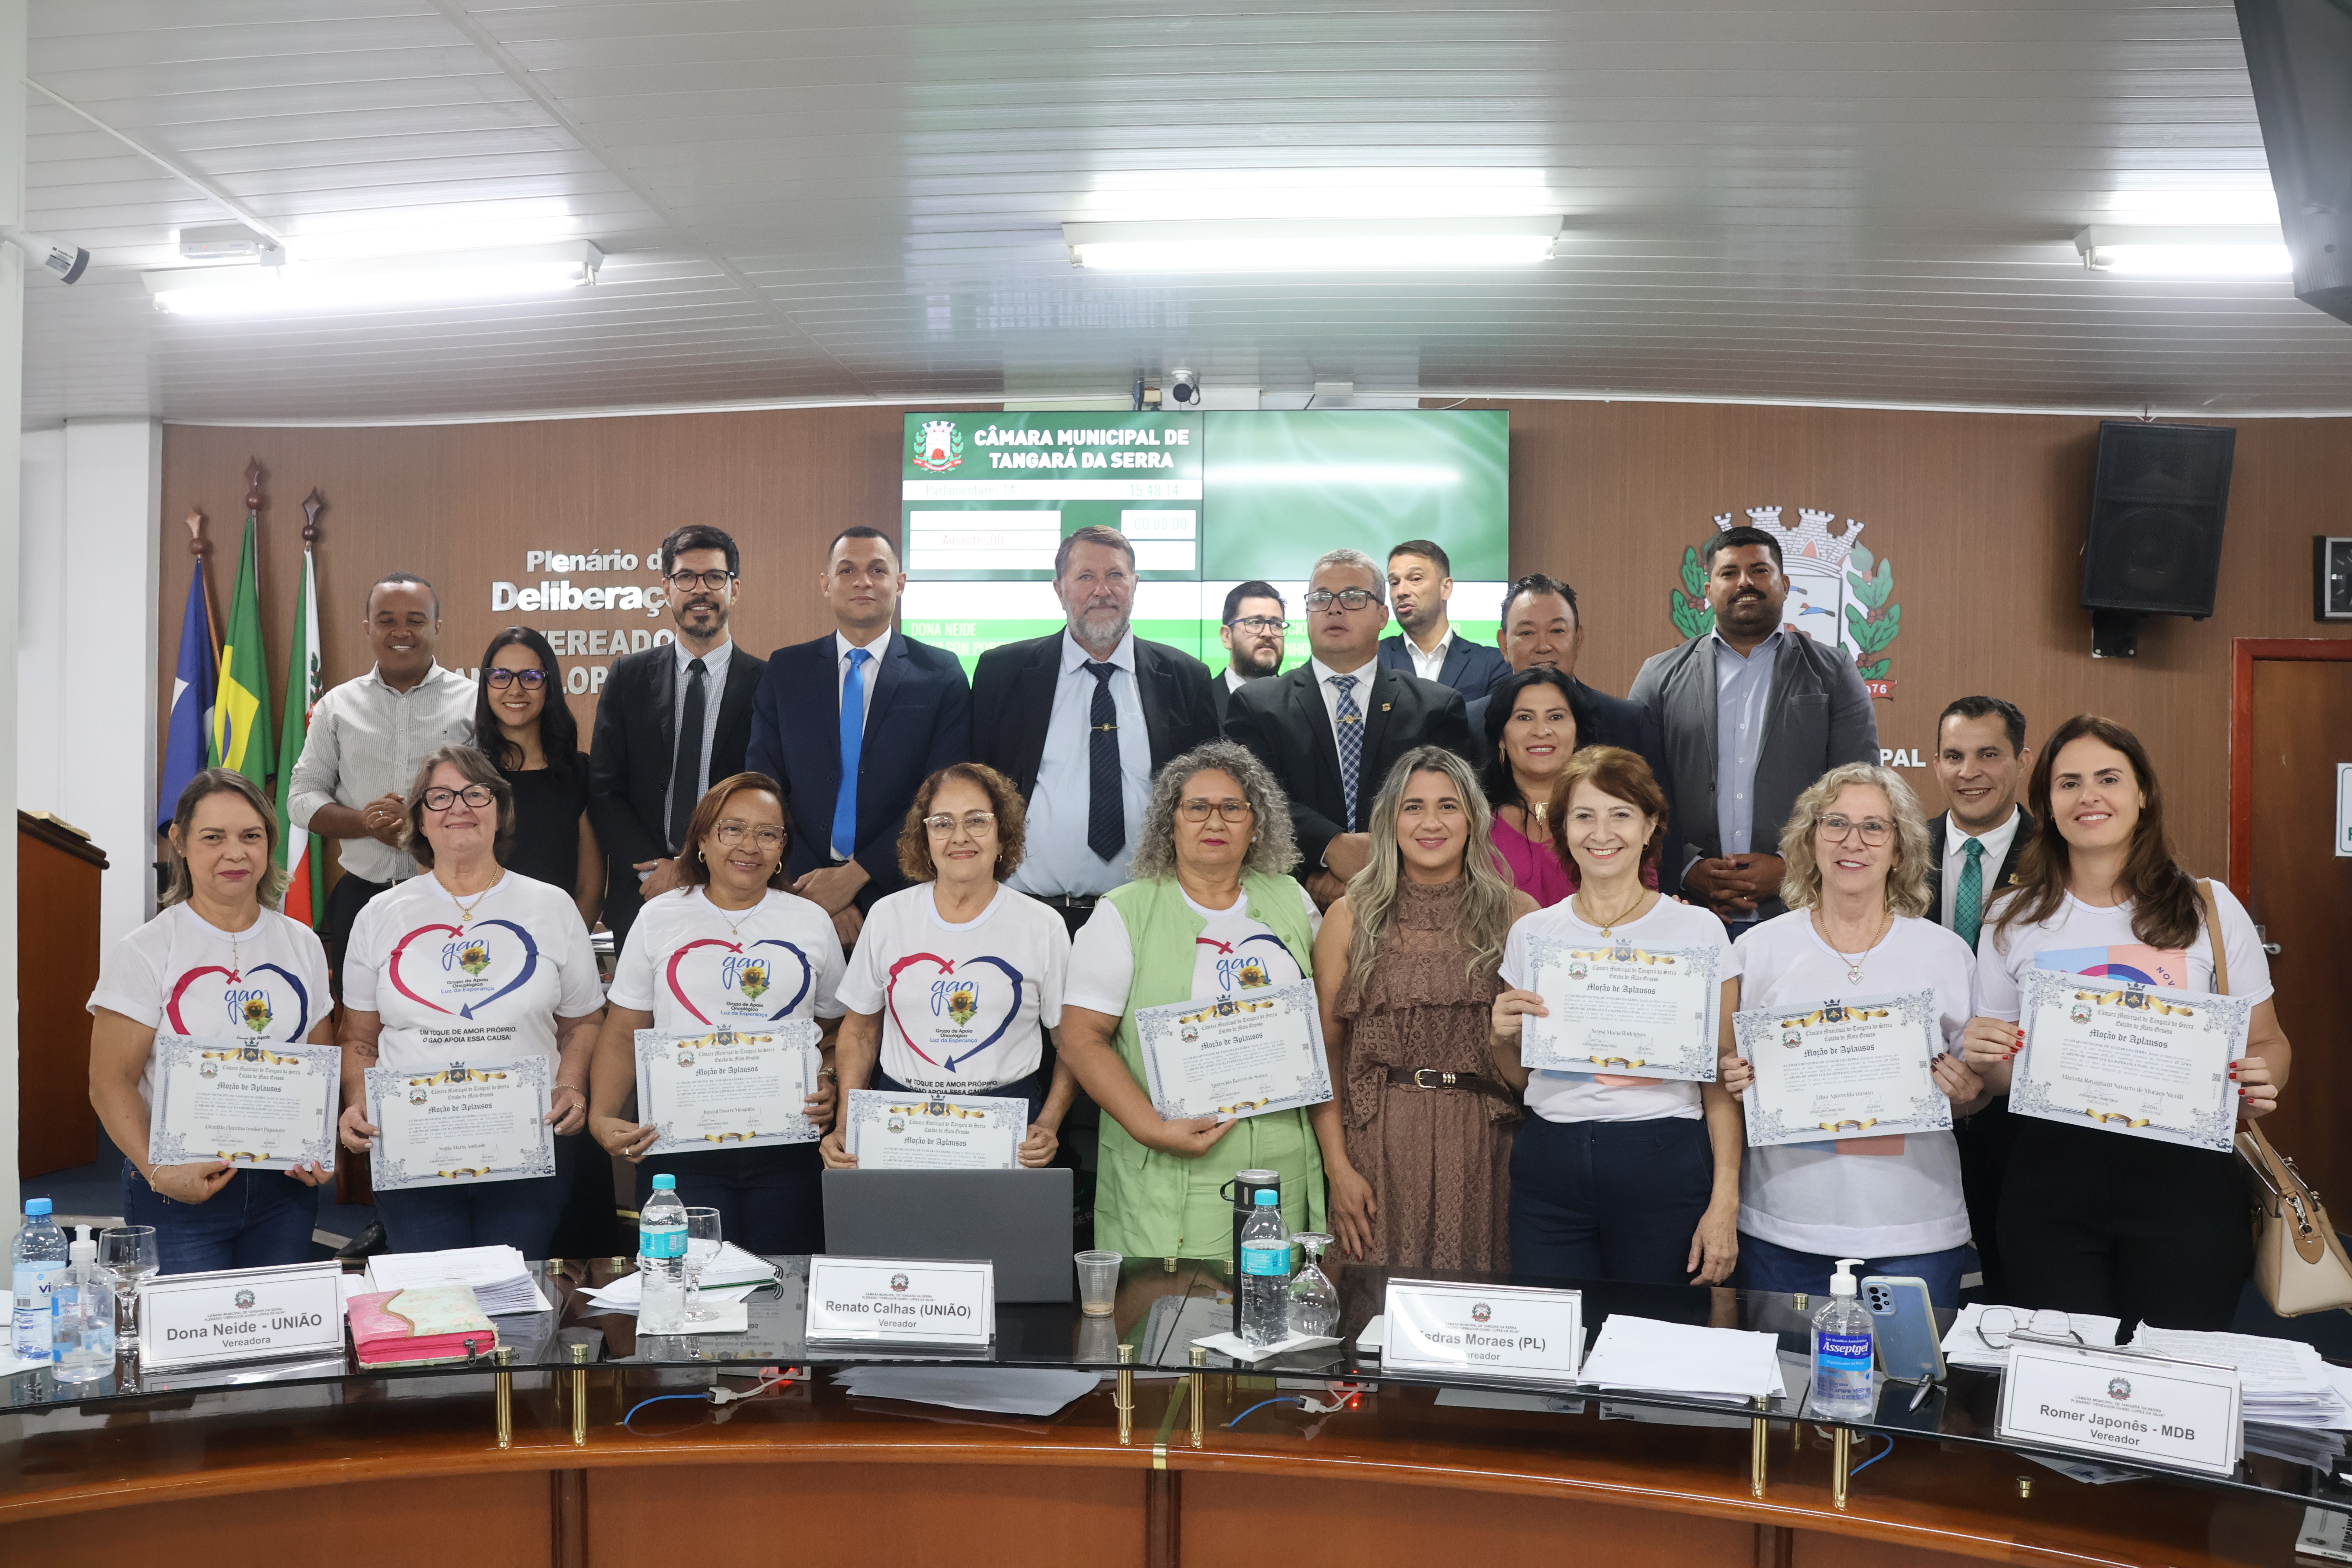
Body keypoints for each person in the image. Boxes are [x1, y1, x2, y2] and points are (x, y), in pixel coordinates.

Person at [1962, 715, 2288, 1330]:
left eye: (2108, 778)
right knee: (2064, 1389)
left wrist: (2261, 1080)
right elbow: (2002, 1076)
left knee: (2174, 1384)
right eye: (2069, 783)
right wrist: (1987, 1055)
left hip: (2185, 1193)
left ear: (2142, 794)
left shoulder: (2207, 907)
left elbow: (2268, 1040)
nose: (2089, 796)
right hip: (2050, 1190)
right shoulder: (2011, 916)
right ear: (2048, 805)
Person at [1058, 741, 1343, 1256]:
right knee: (1167, 1328)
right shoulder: (1124, 912)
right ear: (1170, 824)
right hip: (1169, 1167)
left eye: (1233, 808)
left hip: (1282, 1164)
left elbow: (1321, 1040)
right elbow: (1081, 1040)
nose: (1216, 821)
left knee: (1274, 1323)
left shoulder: (1293, 900)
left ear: (1257, 823)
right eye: (1197, 808)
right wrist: (1153, 1128)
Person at [1719, 763, 1984, 1307]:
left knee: (1912, 1391)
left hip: (1915, 1229)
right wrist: (1733, 1074)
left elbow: (1972, 1088)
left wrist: (1966, 1091)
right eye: (1835, 823)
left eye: (1874, 827)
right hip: (1784, 1226)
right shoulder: (1757, 950)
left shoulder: (1945, 953)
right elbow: (1727, 1075)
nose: (1852, 842)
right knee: (1786, 1389)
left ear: (1900, 847)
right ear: (1810, 839)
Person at [1487, 747, 1743, 1285]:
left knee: (1656, 1348)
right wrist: (1500, 1039)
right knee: (1554, 1345)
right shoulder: (1534, 935)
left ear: (1651, 825)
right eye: (1584, 816)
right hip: (1550, 1161)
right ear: (1563, 829)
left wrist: (1725, 1202)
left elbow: (1720, 1080)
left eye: (1621, 814)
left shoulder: (1697, 933)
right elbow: (1521, 1078)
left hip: (1663, 1157)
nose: (1601, 832)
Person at [338, 746, 606, 1256]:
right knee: (435, 1307)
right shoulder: (379, 916)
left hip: (526, 1144)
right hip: (414, 1147)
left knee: (511, 1305)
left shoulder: (551, 907)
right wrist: (357, 1102)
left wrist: (570, 1084)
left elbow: (584, 1021)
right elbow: (359, 1038)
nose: (458, 807)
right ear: (419, 818)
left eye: (475, 793)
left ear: (500, 810)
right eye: (439, 797)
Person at [87, 770, 335, 1274]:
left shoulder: (303, 944)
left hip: (282, 1191)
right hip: (178, 1190)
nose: (235, 853)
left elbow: (318, 1066)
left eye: (251, 836)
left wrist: (319, 1145)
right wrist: (158, 1173)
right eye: (213, 837)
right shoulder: (145, 950)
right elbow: (110, 1082)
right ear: (179, 841)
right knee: (189, 1345)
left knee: (274, 1336)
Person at [589, 773, 846, 1252]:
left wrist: (828, 1076)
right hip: (680, 1154)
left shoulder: (810, 921)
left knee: (784, 1295)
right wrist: (602, 1116)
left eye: (768, 834)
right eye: (733, 829)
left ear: (782, 849)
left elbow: (834, 1026)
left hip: (788, 1151)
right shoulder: (660, 916)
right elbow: (624, 1031)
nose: (750, 845)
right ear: (703, 839)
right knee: (691, 1294)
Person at [1314, 747, 1534, 1269]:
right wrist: (1337, 1168)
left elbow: (1538, 1057)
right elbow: (1324, 1056)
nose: (1430, 822)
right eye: (1413, 807)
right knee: (1373, 1310)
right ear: (1389, 821)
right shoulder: (1349, 916)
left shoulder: (1520, 915)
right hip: (1379, 1139)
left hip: (1487, 1141)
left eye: (1448, 806)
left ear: (1474, 819)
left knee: (1480, 1311)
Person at [971, 525, 1220, 940]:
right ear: (1059, 589)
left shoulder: (1185, 677)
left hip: (1150, 915)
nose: (1102, 590)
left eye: (1116, 576)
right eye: (1086, 576)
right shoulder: (1003, 673)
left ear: (1135, 585)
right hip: (1027, 916)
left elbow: (1207, 795)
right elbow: (976, 787)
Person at [821, 764, 1074, 1166]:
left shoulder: (1042, 926)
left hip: (1008, 1127)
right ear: (925, 836)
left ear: (1003, 832)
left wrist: (1049, 1122)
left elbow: (1073, 1042)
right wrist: (845, 1123)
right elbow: (860, 1032)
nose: (960, 837)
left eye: (977, 821)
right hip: (900, 1126)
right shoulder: (889, 916)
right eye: (942, 823)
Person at [1630, 526, 1878, 931]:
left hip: (1803, 913)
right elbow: (1634, 788)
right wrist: (1687, 865)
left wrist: (1790, 866)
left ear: (1785, 585)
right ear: (1708, 590)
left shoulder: (1833, 673)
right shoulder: (1659, 675)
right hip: (1686, 913)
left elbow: (1859, 787)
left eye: (1760, 570)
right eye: (1729, 573)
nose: (1745, 582)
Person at [746, 526, 971, 950]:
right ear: (826, 584)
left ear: (899, 584)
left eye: (878, 570)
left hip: (903, 892)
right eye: (847, 570)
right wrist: (821, 890)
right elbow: (765, 785)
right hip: (799, 891)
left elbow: (943, 796)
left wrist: (856, 876)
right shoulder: (786, 671)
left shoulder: (941, 674)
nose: (863, 581)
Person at [1225, 548, 1476, 911]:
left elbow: (1453, 809)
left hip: (1409, 901)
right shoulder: (1257, 705)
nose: (1335, 608)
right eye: (1322, 598)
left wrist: (1376, 867)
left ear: (1383, 615)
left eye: (1354, 597)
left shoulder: (1434, 707)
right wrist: (1330, 847)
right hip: (1290, 899)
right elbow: (1250, 799)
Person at [588, 524, 766, 949]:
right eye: (686, 577)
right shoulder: (628, 677)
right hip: (646, 891)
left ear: (734, 589)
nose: (699, 590)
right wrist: (658, 869)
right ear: (666, 589)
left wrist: (695, 865)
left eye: (714, 578)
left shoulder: (769, 684)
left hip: (740, 887)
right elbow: (604, 788)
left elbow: (774, 790)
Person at [288, 572, 474, 975]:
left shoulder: (474, 703)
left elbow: (491, 800)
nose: (401, 631)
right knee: (359, 1020)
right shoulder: (337, 706)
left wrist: (423, 823)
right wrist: (364, 822)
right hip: (362, 897)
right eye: (387, 620)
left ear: (437, 627)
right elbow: (302, 798)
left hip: (455, 897)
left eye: (416, 620)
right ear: (368, 628)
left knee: (451, 1015)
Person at [1926, 694, 2035, 1303]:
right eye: (1954, 756)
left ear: (2021, 761)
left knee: (2014, 1272)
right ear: (1937, 764)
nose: (1969, 772)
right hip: (1918, 1094)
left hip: (2019, 1106)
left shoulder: (2060, 856)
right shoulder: (1897, 851)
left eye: (1988, 755)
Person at [1465, 575, 1675, 818]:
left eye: (1557, 631)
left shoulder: (1629, 723)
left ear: (1578, 638)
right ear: (1504, 644)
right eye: (1526, 633)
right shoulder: (1470, 723)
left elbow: (1662, 826)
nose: (1543, 646)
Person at [477, 627, 601, 927]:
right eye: (501, 676)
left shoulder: (579, 775)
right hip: (476, 950)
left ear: (550, 685)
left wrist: (561, 953)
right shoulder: (465, 776)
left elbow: (590, 891)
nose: (515, 690)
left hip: (554, 949)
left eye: (530, 678)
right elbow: (435, 878)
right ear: (486, 685)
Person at [1481, 666, 1592, 907]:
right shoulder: (1471, 818)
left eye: (1556, 717)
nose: (1541, 731)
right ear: (1501, 738)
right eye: (1524, 718)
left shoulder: (1613, 813)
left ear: (1577, 735)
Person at [1377, 539, 1507, 698]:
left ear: (1446, 588)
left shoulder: (1492, 664)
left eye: (1416, 579)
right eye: (1394, 583)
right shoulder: (1373, 659)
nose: (1401, 591)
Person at [1212, 580, 1287, 726]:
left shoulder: (1302, 702)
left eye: (1276, 625)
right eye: (1254, 622)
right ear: (1227, 636)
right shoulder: (1201, 702)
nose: (1268, 633)